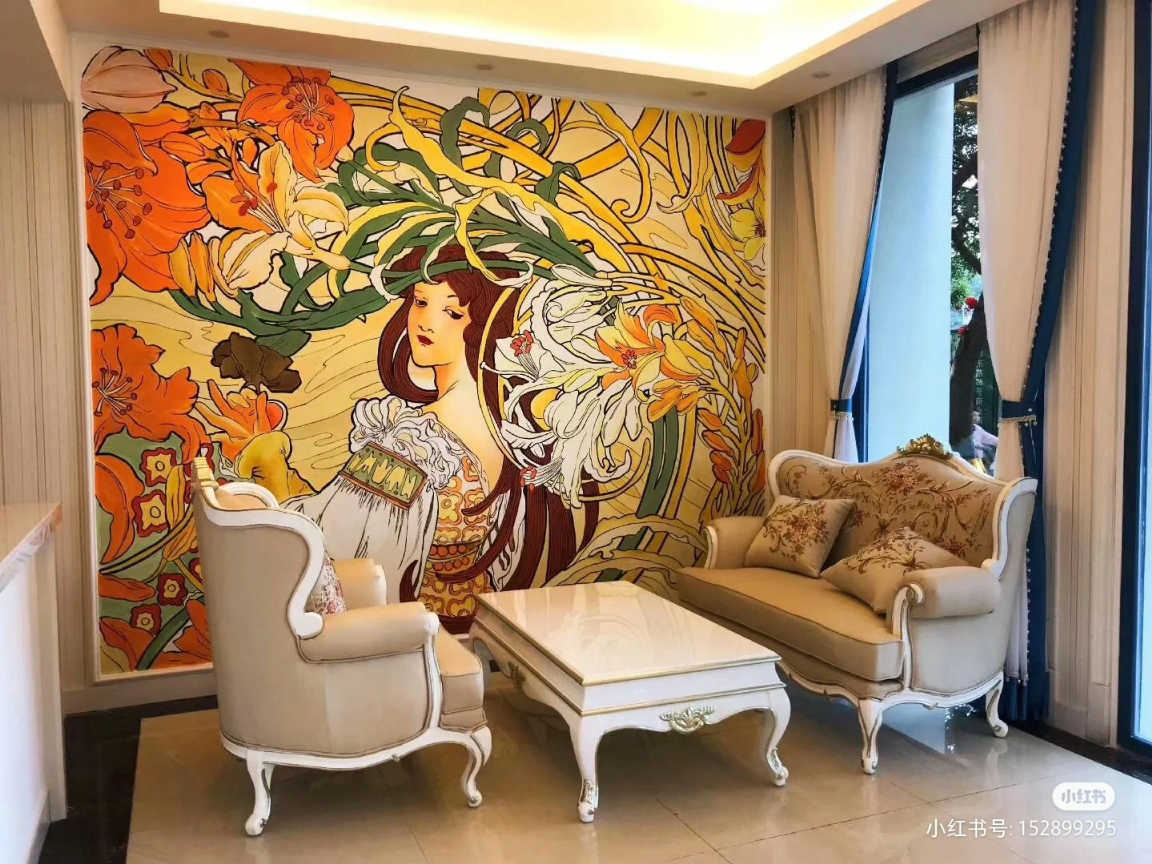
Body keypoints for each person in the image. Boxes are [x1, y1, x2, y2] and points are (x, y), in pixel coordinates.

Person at [286, 244, 594, 633]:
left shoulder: (415, 441)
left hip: (416, 635)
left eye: (452, 312)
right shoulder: (510, 427)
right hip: (471, 626)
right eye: (420, 302)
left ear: (483, 325)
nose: (426, 323)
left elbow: (327, 542)